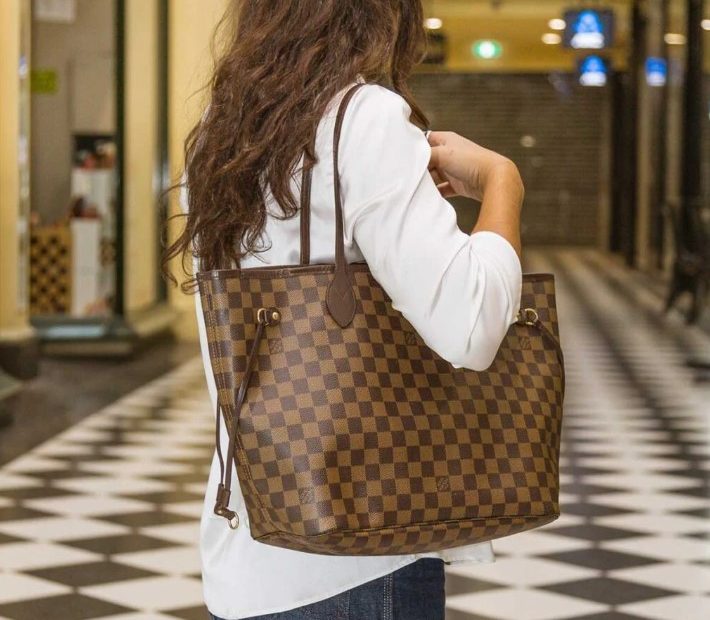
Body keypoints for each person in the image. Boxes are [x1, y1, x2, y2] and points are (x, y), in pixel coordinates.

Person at [163, 1, 524, 618]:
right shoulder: (366, 119)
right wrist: (502, 183)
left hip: (248, 549)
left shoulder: (227, 133)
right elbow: (472, 325)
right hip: (358, 558)